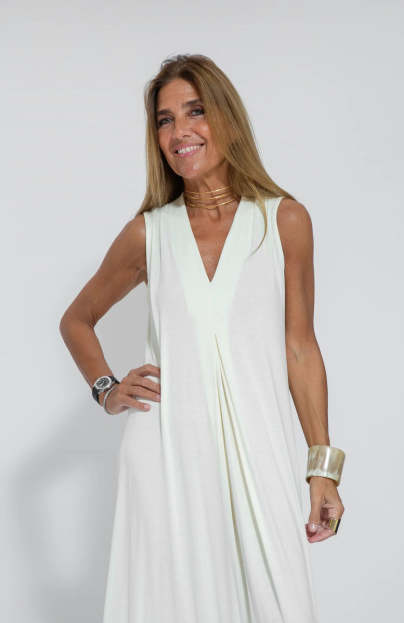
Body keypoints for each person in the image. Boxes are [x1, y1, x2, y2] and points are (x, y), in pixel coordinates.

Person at [59, 53, 346, 623]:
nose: (179, 132)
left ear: (227, 119)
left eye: (195, 111)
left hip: (260, 449)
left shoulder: (283, 220)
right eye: (164, 120)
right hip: (163, 453)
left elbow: (300, 348)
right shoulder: (148, 233)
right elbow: (77, 319)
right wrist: (107, 389)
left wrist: (323, 467)